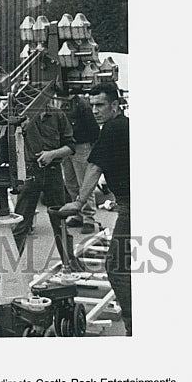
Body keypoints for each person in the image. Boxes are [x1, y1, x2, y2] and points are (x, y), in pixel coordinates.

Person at [59, 81, 131, 334]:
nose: (95, 110)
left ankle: (134, 326)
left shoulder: (112, 128)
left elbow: (94, 167)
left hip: (130, 206)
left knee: (117, 269)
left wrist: (78, 202)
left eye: (100, 105)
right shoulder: (122, 125)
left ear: (115, 105)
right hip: (125, 202)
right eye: (93, 106)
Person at [11, 99, 76, 268]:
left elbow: (71, 146)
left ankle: (70, 265)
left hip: (53, 171)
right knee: (20, 223)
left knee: (59, 221)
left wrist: (52, 154)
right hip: (30, 172)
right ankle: (9, 270)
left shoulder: (57, 115)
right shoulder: (19, 115)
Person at [61, 94, 102, 234]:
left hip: (81, 145)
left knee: (84, 182)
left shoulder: (81, 104)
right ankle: (77, 214)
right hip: (67, 146)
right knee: (70, 183)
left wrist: (92, 146)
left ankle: (88, 218)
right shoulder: (63, 103)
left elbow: (93, 128)